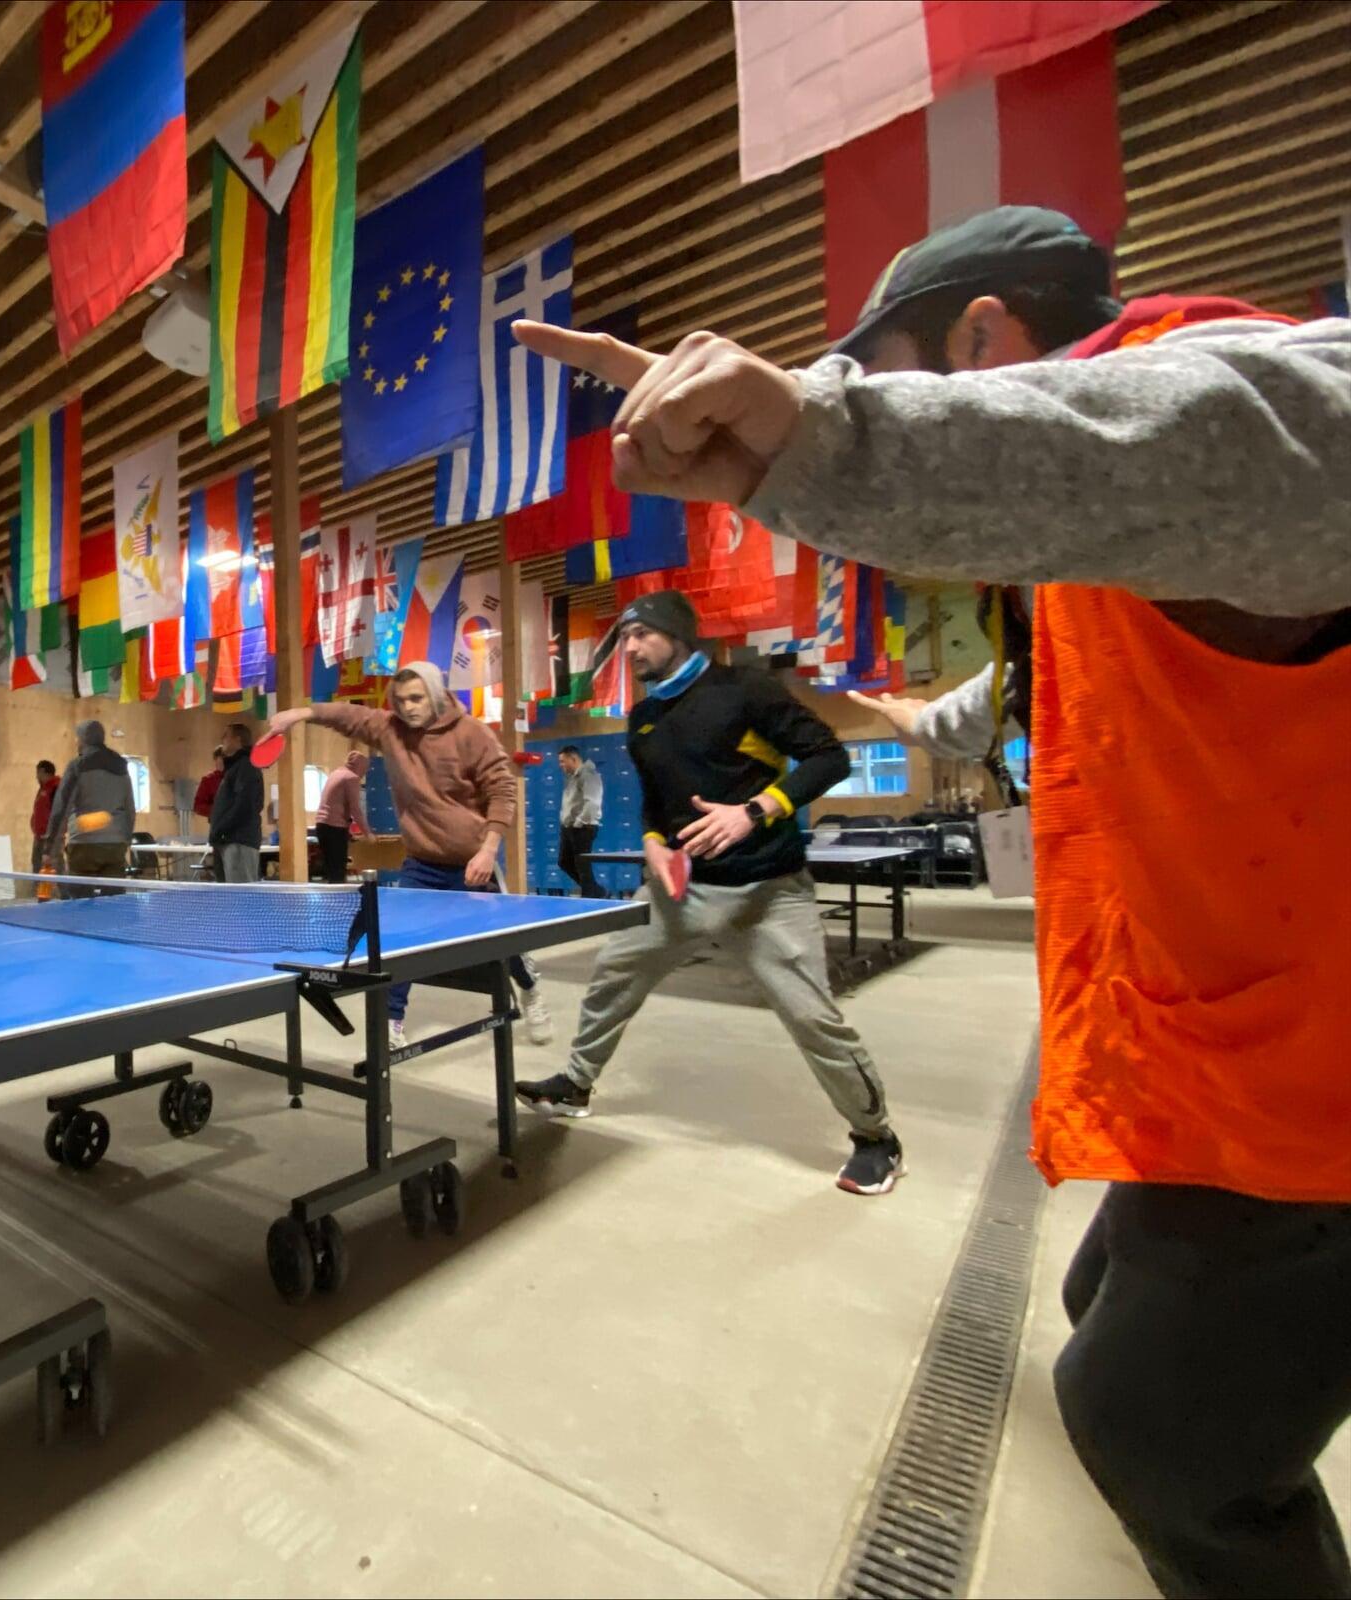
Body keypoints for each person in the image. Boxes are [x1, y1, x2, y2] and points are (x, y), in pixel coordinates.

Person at [512, 206, 1351, 1598]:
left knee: (1150, 1424)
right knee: (1099, 1305)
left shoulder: (1250, 394)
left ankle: (872, 1132)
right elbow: (973, 715)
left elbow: (1175, 443)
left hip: (1314, 1061)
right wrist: (836, 703)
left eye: (895, 365)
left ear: (979, 336)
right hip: (1208, 1038)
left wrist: (813, 440)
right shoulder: (1066, 597)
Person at [515, 591, 904, 1195]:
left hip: (768, 890)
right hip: (682, 892)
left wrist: (754, 812)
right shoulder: (644, 719)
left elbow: (828, 758)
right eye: (625, 637)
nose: (631, 647)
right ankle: (576, 1082)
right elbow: (654, 799)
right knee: (613, 977)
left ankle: (877, 1138)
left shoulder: (746, 690)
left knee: (812, 1017)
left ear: (677, 634)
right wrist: (651, 840)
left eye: (641, 634)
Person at [269, 661, 554, 1051]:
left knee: (501, 943)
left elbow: (503, 791)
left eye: (416, 698)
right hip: (421, 864)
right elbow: (350, 716)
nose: (407, 707)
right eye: (400, 700)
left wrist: (489, 849)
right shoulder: (391, 730)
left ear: (435, 695)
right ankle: (392, 1019)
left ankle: (530, 988)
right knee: (401, 942)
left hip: (473, 863)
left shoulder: (473, 734)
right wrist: (302, 713)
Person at [43, 720, 136, 889]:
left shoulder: (77, 766)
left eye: (78, 738)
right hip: (114, 846)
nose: (77, 743)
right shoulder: (121, 768)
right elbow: (130, 808)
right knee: (114, 903)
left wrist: (50, 847)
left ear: (84, 739)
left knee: (82, 902)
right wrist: (125, 839)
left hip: (84, 843)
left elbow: (61, 808)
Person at [207, 722, 265, 883]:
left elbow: (244, 805)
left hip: (238, 841)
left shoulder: (247, 766)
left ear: (237, 740)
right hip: (225, 840)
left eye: (226, 735)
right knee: (227, 898)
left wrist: (221, 828)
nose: (222, 739)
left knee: (241, 897)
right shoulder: (233, 768)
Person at [556, 745, 605, 898]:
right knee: (564, 862)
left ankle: (590, 896)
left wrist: (578, 823)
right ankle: (596, 891)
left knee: (582, 866)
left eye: (563, 761)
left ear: (574, 759)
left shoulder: (588, 775)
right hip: (569, 827)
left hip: (582, 827)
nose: (561, 765)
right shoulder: (572, 777)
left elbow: (592, 802)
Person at [315, 748, 369, 884]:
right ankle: (339, 902)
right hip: (335, 828)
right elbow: (355, 809)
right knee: (338, 873)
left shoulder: (336, 773)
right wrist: (368, 834)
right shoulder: (351, 777)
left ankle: (332, 902)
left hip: (322, 826)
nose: (364, 773)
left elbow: (337, 805)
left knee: (332, 871)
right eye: (365, 769)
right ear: (360, 766)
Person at [30, 759, 60, 874]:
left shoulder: (55, 788)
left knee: (52, 867)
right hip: (39, 837)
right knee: (37, 866)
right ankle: (38, 891)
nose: (36, 777)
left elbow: (59, 814)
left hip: (50, 839)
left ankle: (59, 891)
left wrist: (51, 836)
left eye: (37, 773)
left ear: (43, 771)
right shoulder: (43, 789)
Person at [193, 746, 224, 821]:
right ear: (216, 760)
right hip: (219, 824)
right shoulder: (209, 780)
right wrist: (218, 810)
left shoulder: (239, 777)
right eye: (221, 759)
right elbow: (198, 806)